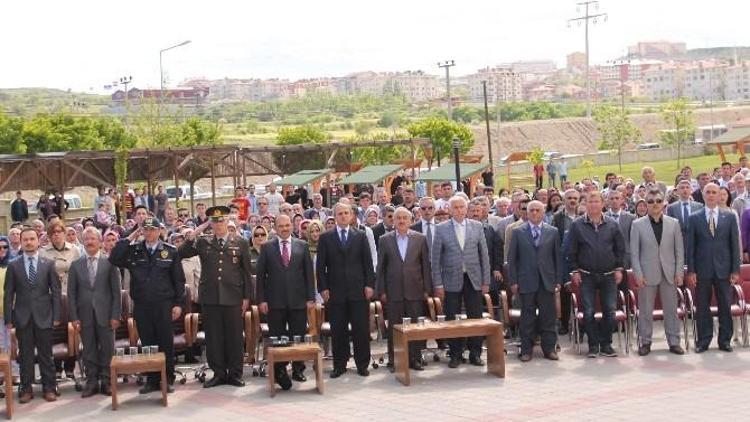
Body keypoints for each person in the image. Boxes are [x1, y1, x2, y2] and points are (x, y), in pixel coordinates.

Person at [109, 217, 185, 393]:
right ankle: (151, 379)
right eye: (145, 229)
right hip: (142, 305)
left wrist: (178, 304)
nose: (149, 232)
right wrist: (130, 236)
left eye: (152, 229)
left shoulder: (170, 251)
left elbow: (178, 280)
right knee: (148, 343)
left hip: (163, 305)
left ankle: (168, 378)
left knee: (166, 342)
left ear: (159, 231)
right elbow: (114, 258)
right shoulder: (134, 250)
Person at [179, 206, 251, 388]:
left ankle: (235, 373)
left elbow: (246, 273)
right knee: (214, 337)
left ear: (228, 221)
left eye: (221, 220)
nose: (218, 224)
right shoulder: (204, 242)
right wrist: (200, 228)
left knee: (234, 336)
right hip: (210, 297)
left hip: (233, 296)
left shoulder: (240, 242)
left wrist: (246, 298)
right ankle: (218, 373)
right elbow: (182, 252)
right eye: (214, 221)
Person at [256, 214, 315, 390]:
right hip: (275, 302)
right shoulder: (266, 247)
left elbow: (308, 275)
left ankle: (298, 370)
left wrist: (310, 297)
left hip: (298, 301)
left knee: (298, 337)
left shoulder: (302, 246)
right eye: (281, 226)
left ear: (292, 226)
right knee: (279, 339)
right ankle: (280, 371)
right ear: (275, 227)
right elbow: (260, 277)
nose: (285, 228)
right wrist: (262, 300)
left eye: (287, 225)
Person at [316, 202, 375, 378]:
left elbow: (368, 264)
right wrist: (323, 288)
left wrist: (369, 285)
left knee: (360, 329)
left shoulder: (360, 236)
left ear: (351, 215)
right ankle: (339, 365)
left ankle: (362, 364)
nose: (343, 216)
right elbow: (320, 267)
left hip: (358, 291)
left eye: (346, 213)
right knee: (338, 330)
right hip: (336, 292)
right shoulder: (326, 238)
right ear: (334, 216)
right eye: (339, 213)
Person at [431, 196, 490, 368]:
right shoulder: (441, 229)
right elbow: (436, 260)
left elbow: (484, 256)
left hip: (473, 279)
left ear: (466, 209)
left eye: (461, 207)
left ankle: (475, 353)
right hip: (451, 279)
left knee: (476, 317)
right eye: (455, 207)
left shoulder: (477, 226)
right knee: (452, 317)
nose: (459, 210)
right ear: (449, 209)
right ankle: (455, 354)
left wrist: (486, 280)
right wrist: (438, 284)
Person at [4, 228, 61, 403]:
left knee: (46, 354)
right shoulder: (13, 265)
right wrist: (8, 319)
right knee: (25, 355)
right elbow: (9, 294)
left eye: (32, 239)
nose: (28, 242)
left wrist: (56, 315)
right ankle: (26, 389)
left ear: (38, 241)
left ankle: (49, 388)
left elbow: (56, 292)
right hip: (22, 317)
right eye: (25, 239)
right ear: (21, 242)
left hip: (44, 316)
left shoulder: (48, 264)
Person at [567, 191, 626, 358]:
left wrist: (619, 268)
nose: (593, 204)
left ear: (602, 204)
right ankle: (593, 345)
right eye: (590, 201)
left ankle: (606, 344)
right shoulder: (577, 225)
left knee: (610, 310)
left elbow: (620, 249)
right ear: (585, 204)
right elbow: (571, 250)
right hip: (586, 275)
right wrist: (574, 271)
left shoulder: (612, 224)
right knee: (588, 311)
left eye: (596, 201)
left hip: (608, 275)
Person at [686, 183, 742, 353]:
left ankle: (725, 340)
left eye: (714, 192)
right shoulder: (694, 218)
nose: (711, 195)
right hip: (702, 270)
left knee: (725, 305)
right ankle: (703, 340)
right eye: (707, 192)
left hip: (724, 269)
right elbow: (691, 247)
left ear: (720, 195)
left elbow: (734, 245)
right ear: (702, 195)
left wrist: (735, 270)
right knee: (702, 306)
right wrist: (691, 270)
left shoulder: (730, 217)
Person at [67, 227, 122, 397]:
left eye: (93, 238)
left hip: (106, 316)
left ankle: (106, 381)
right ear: (83, 242)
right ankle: (91, 382)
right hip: (84, 316)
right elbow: (71, 294)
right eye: (86, 239)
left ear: (100, 242)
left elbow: (116, 293)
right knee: (89, 350)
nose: (89, 242)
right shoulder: (76, 266)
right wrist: (74, 317)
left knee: (107, 349)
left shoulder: (110, 263)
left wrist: (115, 315)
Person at [630, 190, 685, 356]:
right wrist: (638, 274)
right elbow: (634, 253)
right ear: (646, 204)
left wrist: (679, 272)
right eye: (651, 201)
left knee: (671, 310)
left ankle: (674, 342)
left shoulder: (673, 223)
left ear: (663, 203)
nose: (655, 204)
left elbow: (679, 251)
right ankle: (645, 342)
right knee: (645, 310)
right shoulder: (637, 224)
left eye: (658, 201)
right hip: (647, 275)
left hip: (669, 273)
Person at [376, 207, 432, 371]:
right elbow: (381, 267)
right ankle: (395, 360)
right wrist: (381, 290)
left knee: (414, 327)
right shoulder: (384, 240)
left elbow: (425, 266)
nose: (401, 221)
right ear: (393, 221)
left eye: (404, 218)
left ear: (410, 221)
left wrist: (427, 289)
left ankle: (415, 359)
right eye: (398, 218)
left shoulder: (420, 239)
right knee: (395, 327)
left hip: (415, 289)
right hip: (393, 291)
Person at [507, 200, 563, 361]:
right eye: (531, 210)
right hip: (526, 281)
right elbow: (512, 260)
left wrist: (558, 280)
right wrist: (514, 282)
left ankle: (549, 349)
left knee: (548, 317)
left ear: (543, 212)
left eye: (537, 210)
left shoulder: (552, 232)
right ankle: (526, 350)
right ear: (526, 212)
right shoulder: (518, 232)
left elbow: (557, 258)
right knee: (527, 318)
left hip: (547, 281)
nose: (534, 213)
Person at [39, 220, 80, 379]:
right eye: (52, 232)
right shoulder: (43, 252)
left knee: (72, 329)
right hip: (52, 298)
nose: (56, 234)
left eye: (59, 231)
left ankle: (70, 366)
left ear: (64, 233)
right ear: (49, 236)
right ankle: (57, 367)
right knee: (55, 331)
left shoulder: (74, 250)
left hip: (71, 295)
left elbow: (79, 273)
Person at [667, 179, 704, 261]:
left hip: (695, 244)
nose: (685, 190)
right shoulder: (671, 208)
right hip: (678, 245)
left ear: (691, 190)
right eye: (682, 188)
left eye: (687, 187)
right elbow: (669, 228)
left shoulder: (699, 206)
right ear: (677, 191)